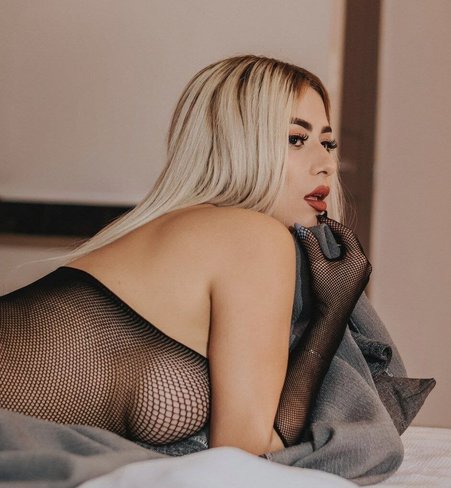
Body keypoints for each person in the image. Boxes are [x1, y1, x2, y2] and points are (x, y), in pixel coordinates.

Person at [0, 55, 371, 457]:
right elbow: (243, 455)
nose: (327, 164)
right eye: (295, 139)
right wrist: (332, 314)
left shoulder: (193, 229)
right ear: (237, 144)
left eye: (327, 143)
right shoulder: (253, 238)